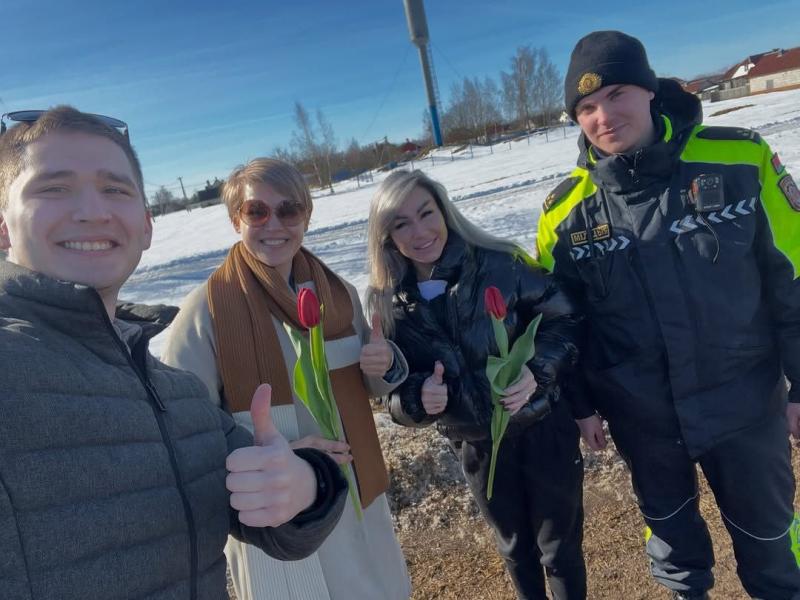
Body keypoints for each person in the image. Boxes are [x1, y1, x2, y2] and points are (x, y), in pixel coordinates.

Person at [0, 106, 347, 599]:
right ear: (3, 226)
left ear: (146, 226)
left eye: (115, 190)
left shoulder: (176, 396)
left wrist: (308, 482)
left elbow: (278, 529)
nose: (92, 211)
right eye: (54, 188)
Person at [536, 30, 800, 600]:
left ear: (650, 90)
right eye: (586, 107)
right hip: (643, 421)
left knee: (773, 547)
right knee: (675, 555)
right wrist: (581, 405)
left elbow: (793, 280)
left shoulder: (740, 158)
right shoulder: (564, 213)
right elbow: (563, 323)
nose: (604, 116)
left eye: (617, 94)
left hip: (745, 407)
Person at [161, 158, 412, 600]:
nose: (274, 224)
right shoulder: (205, 314)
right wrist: (282, 456)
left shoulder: (338, 295)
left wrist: (385, 364)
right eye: (256, 211)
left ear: (306, 218)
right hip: (281, 518)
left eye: (289, 209)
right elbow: (182, 434)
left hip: (355, 497)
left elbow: (366, 384)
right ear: (236, 220)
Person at [366, 169, 586, 600]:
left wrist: (536, 370)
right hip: (477, 446)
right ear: (387, 236)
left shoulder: (501, 263)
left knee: (559, 547)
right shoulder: (389, 304)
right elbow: (392, 392)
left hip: (543, 427)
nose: (420, 232)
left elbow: (567, 317)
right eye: (401, 224)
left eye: (426, 213)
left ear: (444, 211)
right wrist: (418, 398)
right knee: (515, 548)